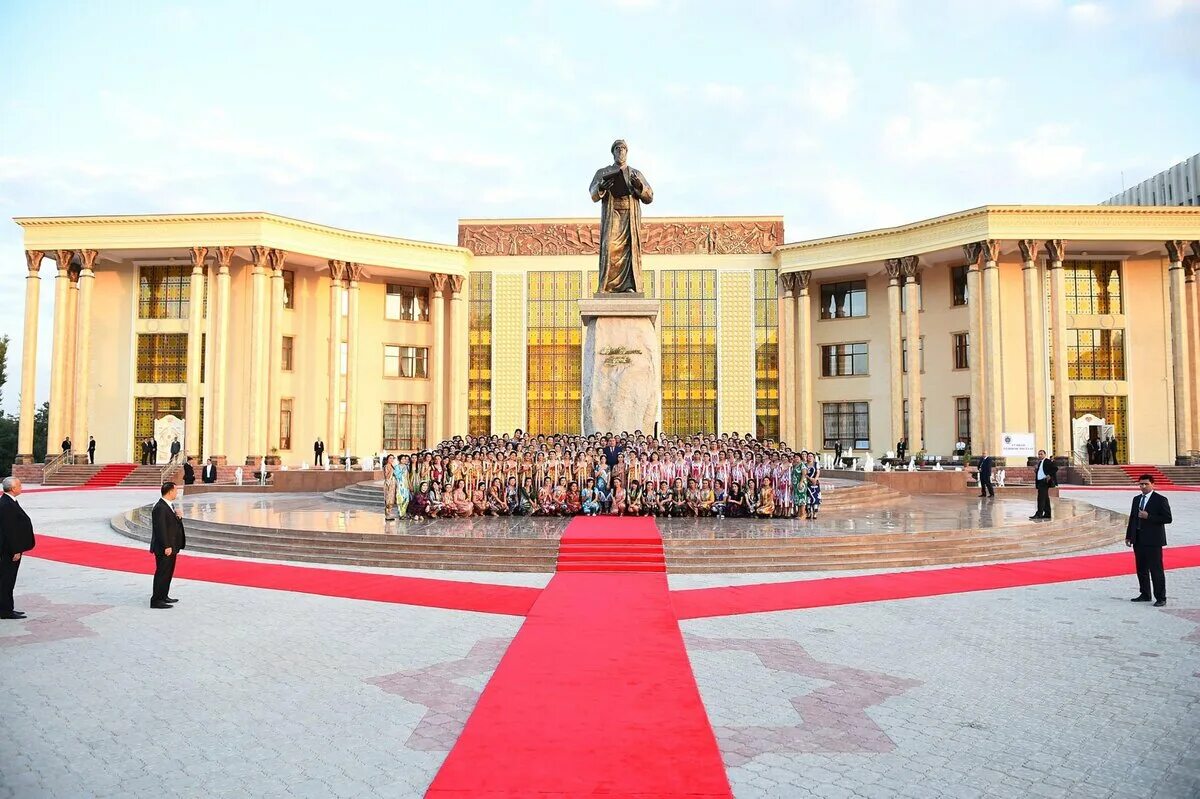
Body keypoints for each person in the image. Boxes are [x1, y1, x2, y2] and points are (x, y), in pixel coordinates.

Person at [1126, 474, 1171, 607]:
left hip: (1153, 541)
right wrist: (1129, 535)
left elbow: (1168, 518)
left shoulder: (1160, 500)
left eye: (1146, 484)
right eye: (1141, 484)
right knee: (1141, 569)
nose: (1143, 486)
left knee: (1156, 570)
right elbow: (1132, 518)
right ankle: (1145, 594)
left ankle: (1161, 597)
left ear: (1153, 484)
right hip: (1138, 539)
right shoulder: (1136, 499)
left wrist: (1149, 516)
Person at [0, 477, 35, 620]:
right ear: (13, 488)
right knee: (7, 580)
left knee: (8, 580)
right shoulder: (6, 505)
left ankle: (8, 608)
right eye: (19, 485)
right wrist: (16, 550)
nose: (21, 487)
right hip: (9, 551)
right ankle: (5, 611)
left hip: (10, 549)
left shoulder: (9, 501)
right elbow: (9, 531)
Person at [149, 481, 185, 609]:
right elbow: (160, 529)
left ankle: (164, 595)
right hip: (165, 547)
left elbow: (171, 526)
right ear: (170, 491)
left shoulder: (169, 505)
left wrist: (178, 518)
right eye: (175, 490)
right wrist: (166, 546)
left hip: (171, 546)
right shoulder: (160, 507)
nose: (177, 493)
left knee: (168, 572)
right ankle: (156, 600)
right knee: (162, 572)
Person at [1030, 449, 1057, 520]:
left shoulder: (1047, 461)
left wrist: (1049, 475)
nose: (1040, 455)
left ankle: (1039, 514)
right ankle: (1048, 513)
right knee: (1045, 498)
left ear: (1045, 455)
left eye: (1041, 454)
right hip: (1040, 482)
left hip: (1044, 482)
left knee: (1041, 498)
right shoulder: (1040, 463)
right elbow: (1042, 471)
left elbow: (1055, 468)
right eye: (1039, 454)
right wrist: (1036, 471)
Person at [382, 454, 398, 521]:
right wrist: (391, 470)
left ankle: (389, 513)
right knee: (388, 499)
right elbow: (387, 477)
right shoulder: (386, 466)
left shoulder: (392, 466)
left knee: (392, 499)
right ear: (387, 459)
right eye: (390, 458)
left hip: (392, 484)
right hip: (388, 484)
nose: (391, 460)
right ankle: (387, 514)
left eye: (392, 458)